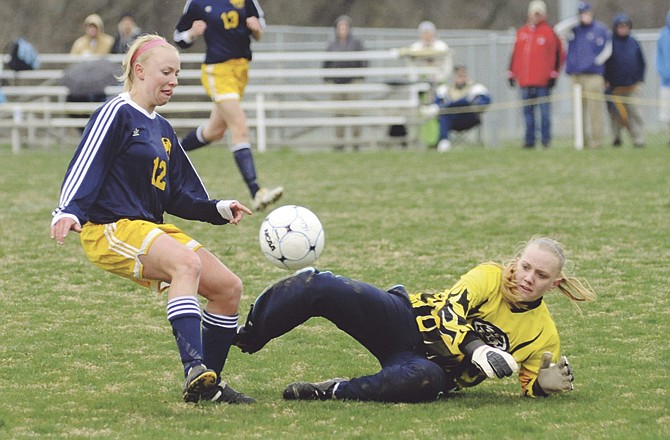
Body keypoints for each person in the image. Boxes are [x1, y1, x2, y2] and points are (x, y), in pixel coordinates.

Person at [50, 35, 255, 405]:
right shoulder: (116, 112)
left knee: (228, 288)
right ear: (139, 71)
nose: (174, 80)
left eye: (177, 73)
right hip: (109, 227)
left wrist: (217, 209)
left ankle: (208, 387)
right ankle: (194, 367)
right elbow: (86, 165)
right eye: (166, 71)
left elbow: (177, 195)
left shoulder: (162, 129)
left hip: (150, 227)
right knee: (186, 264)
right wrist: (68, 209)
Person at [234, 237, 596, 403]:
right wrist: (478, 350)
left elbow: (529, 383)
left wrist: (543, 387)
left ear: (554, 284)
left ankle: (332, 390)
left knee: (423, 381)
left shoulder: (543, 335)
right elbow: (451, 312)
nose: (528, 278)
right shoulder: (490, 275)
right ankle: (250, 334)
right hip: (403, 317)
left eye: (541, 275)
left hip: (429, 367)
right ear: (518, 261)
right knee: (322, 285)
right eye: (526, 266)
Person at [173, 0, 283, 212]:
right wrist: (192, 33)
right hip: (218, 70)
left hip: (240, 71)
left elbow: (259, 28)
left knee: (214, 132)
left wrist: (256, 29)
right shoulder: (197, 2)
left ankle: (172, 151)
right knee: (240, 127)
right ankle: (256, 193)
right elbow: (179, 36)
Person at [508, 1, 565, 149]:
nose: (536, 16)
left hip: (543, 81)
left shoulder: (549, 32)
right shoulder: (522, 32)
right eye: (534, 13)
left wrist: (553, 75)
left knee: (544, 112)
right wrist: (512, 73)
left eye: (539, 13)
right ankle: (529, 140)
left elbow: (558, 54)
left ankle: (546, 140)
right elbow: (515, 54)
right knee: (527, 113)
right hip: (525, 81)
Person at [555, 1, 611, 148]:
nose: (585, 16)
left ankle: (597, 141)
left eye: (587, 13)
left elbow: (608, 48)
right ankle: (581, 142)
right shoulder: (574, 29)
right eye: (582, 13)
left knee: (595, 110)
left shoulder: (600, 29)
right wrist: (575, 20)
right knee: (578, 111)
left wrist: (596, 62)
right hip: (576, 76)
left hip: (593, 75)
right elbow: (558, 30)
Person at [323, 15, 368, 150]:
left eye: (345, 26)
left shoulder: (356, 43)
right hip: (337, 82)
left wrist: (360, 76)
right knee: (338, 113)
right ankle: (339, 142)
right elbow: (326, 63)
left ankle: (356, 142)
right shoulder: (332, 44)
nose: (342, 29)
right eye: (340, 27)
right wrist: (327, 77)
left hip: (352, 81)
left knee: (354, 112)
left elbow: (364, 61)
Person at [422, 65, 491, 152]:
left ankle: (443, 141)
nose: (461, 79)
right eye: (459, 76)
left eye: (463, 76)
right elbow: (436, 102)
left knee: (463, 102)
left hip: (469, 118)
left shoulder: (475, 89)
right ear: (454, 77)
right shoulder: (445, 90)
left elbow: (485, 101)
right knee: (444, 115)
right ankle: (444, 143)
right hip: (452, 120)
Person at [604, 14, 646, 148]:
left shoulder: (634, 42)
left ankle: (638, 140)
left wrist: (639, 79)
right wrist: (606, 80)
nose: (623, 28)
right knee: (616, 115)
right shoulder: (610, 42)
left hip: (633, 86)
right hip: (616, 87)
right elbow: (604, 62)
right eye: (620, 26)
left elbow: (641, 62)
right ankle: (616, 138)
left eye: (625, 26)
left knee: (636, 113)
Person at [655, 10, 670, 141]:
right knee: (667, 113)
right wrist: (664, 72)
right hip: (667, 82)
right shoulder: (663, 34)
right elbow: (658, 57)